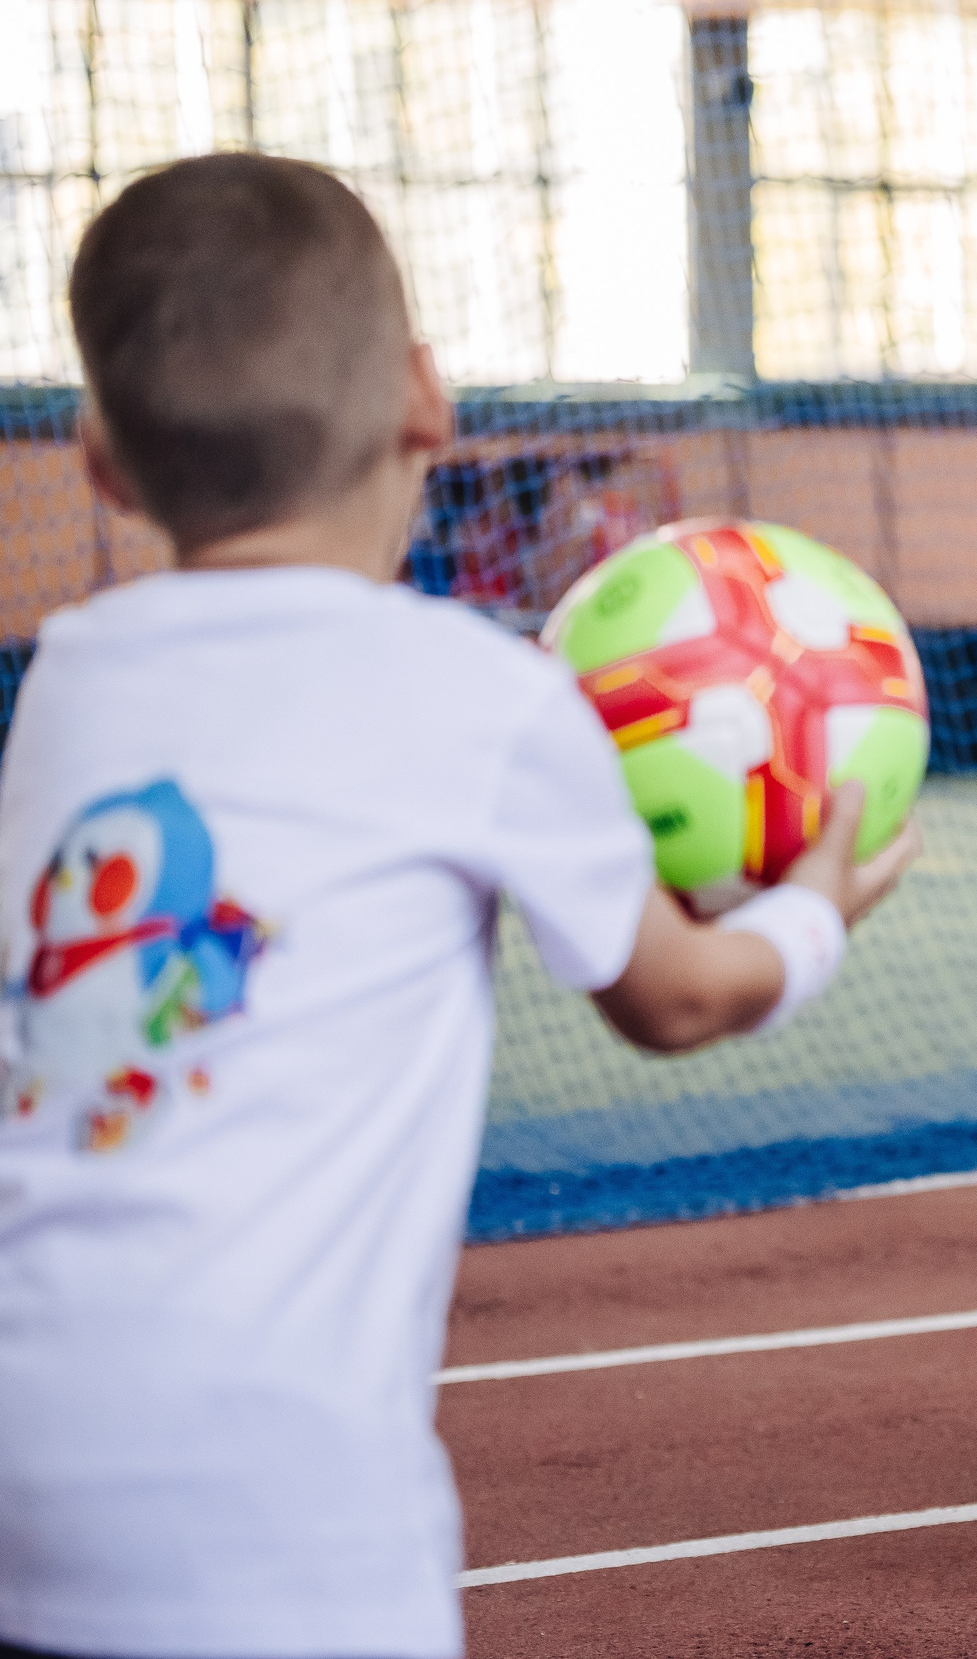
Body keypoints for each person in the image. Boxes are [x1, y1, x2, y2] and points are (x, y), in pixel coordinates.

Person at [0, 154, 918, 1659]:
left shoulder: (67, 684)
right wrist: (819, 904)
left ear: (99, 459)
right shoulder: (484, 695)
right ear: (427, 401)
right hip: (284, 1520)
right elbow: (674, 995)